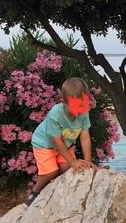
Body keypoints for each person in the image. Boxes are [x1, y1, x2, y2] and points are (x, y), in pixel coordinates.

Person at [27, 77, 95, 205]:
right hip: (45, 145)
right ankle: (35, 192)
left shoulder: (83, 112)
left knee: (67, 168)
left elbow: (85, 137)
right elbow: (56, 141)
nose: (81, 109)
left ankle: (56, 188)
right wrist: (73, 161)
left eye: (84, 104)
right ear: (63, 102)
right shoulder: (56, 114)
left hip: (66, 145)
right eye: (76, 105)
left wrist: (87, 161)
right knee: (50, 172)